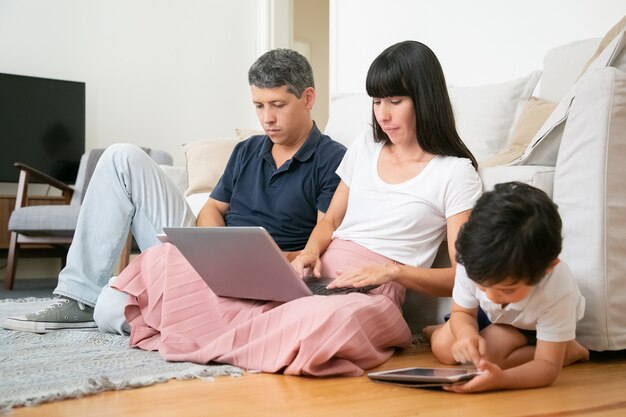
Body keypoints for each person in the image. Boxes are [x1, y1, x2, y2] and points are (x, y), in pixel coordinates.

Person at [102, 40, 482, 377]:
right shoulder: (368, 145)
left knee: (326, 324)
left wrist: (391, 272)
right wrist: (310, 254)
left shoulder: (455, 173)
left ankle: (217, 333)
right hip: (321, 275)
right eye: (377, 101)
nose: (383, 114)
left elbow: (463, 277)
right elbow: (330, 220)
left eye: (395, 101)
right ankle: (248, 336)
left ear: (425, 98)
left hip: (373, 290)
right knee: (166, 260)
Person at [3, 48, 346, 333]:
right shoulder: (248, 149)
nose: (266, 118)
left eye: (278, 105)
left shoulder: (333, 157)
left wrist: (263, 258)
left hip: (264, 268)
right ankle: (79, 297)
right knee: (121, 155)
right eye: (259, 106)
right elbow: (212, 209)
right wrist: (219, 247)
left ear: (308, 98)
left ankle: (187, 319)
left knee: (111, 309)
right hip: (209, 252)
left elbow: (323, 229)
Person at [428, 182, 590, 393]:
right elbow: (463, 312)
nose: (492, 296)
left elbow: (547, 368)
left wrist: (501, 380)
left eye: (507, 289)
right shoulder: (474, 261)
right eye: (483, 286)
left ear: (547, 268)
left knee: (488, 357)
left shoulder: (557, 291)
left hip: (529, 324)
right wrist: (466, 334)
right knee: (444, 349)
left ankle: (567, 350)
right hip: (493, 314)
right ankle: (442, 332)